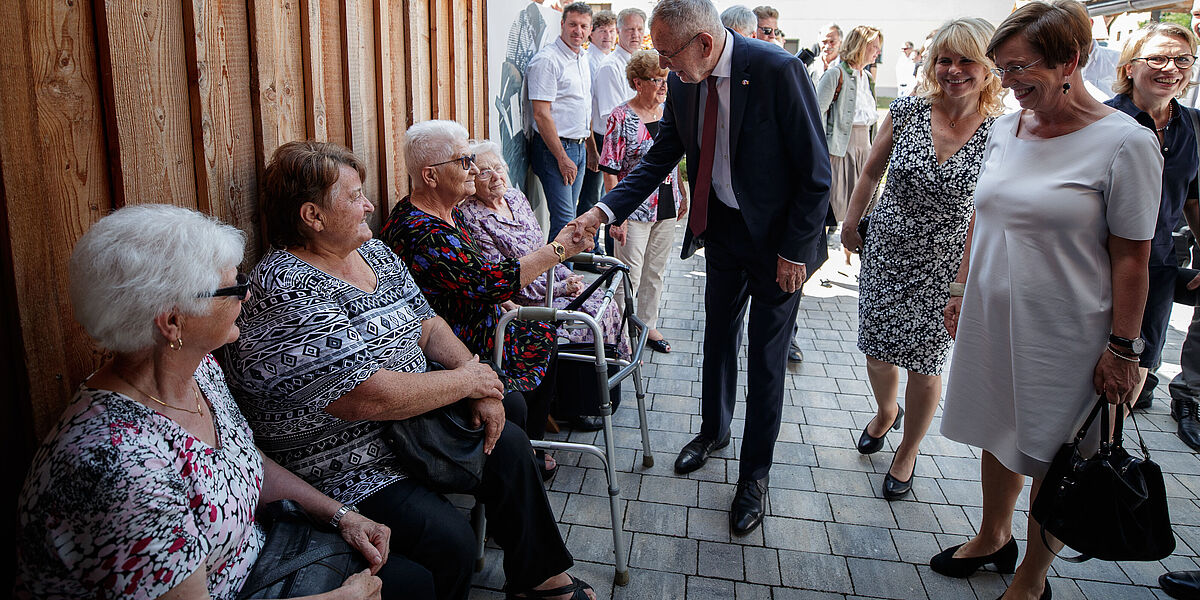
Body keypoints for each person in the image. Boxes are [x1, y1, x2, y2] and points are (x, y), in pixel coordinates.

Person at [221, 140, 595, 600]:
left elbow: (427, 322)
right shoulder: (287, 289)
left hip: (413, 429)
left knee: (509, 445)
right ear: (312, 217)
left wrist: (471, 375)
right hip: (350, 466)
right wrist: (469, 380)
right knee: (451, 542)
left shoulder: (372, 252)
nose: (369, 204)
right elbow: (366, 397)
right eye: (355, 196)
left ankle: (539, 582)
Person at [17, 204, 394, 599]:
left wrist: (341, 515)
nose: (247, 295)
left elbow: (240, 463)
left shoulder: (198, 371)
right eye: (233, 287)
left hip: (267, 566)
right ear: (172, 322)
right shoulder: (116, 464)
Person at [570, 0, 831, 536]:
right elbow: (662, 154)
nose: (663, 69)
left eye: (667, 55)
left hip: (779, 244)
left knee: (765, 357)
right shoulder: (689, 80)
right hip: (726, 233)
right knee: (718, 337)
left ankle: (753, 477)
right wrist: (604, 209)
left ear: (705, 44)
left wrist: (794, 252)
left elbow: (815, 172)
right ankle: (714, 430)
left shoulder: (779, 72)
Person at [932, 3, 1162, 599]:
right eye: (1002, 70)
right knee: (997, 430)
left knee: (1052, 453)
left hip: (1068, 331)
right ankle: (992, 536)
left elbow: (1132, 255)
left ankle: (1032, 576)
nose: (1007, 83)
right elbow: (984, 218)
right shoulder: (1007, 127)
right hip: (992, 313)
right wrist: (960, 287)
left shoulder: (1124, 143)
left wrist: (1124, 348)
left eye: (1019, 69)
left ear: (1071, 60)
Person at [840, 18, 1003, 502]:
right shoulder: (909, 111)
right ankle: (887, 411)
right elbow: (871, 172)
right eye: (944, 60)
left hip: (949, 266)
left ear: (989, 66)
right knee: (876, 348)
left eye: (965, 60)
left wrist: (964, 280)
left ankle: (908, 450)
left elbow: (991, 211)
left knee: (926, 363)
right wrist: (851, 224)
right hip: (887, 250)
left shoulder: (1001, 132)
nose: (953, 70)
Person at [382, 120, 593, 447]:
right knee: (538, 341)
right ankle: (526, 446)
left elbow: (480, 275)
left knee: (542, 330)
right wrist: (559, 249)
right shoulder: (422, 231)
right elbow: (488, 282)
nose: (473, 169)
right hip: (450, 340)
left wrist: (513, 306)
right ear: (430, 176)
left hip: (478, 322)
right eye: (464, 162)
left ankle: (534, 440)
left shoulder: (452, 211)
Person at [458, 138, 628, 358]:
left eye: (498, 168)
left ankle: (612, 367)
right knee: (588, 323)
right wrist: (560, 288)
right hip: (526, 301)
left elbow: (543, 249)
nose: (495, 176)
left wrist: (569, 278)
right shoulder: (472, 217)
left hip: (552, 285)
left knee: (607, 305)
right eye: (484, 172)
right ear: (472, 180)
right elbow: (505, 279)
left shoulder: (515, 198)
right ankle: (590, 379)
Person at [1107, 22, 1200, 417]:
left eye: (1182, 59)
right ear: (1129, 66)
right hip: (1098, 264)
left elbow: (1194, 198)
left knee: (1138, 366)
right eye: (1157, 57)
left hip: (1158, 269)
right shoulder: (1101, 122)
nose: (1171, 68)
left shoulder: (1194, 124)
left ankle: (1107, 450)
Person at [600, 50, 688, 355]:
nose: (664, 86)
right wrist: (617, 215)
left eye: (666, 79)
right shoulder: (620, 116)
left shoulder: (669, 112)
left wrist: (683, 192)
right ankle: (619, 333)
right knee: (629, 274)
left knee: (656, 271)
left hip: (666, 204)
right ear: (637, 82)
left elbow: (673, 160)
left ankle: (647, 325)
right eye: (657, 80)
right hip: (634, 208)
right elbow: (609, 169)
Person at [527, 2, 596, 242]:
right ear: (562, 24)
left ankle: (565, 277)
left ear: (590, 29)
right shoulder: (548, 60)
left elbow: (583, 106)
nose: (578, 30)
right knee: (566, 221)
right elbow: (541, 114)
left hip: (578, 147)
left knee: (572, 218)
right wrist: (562, 158)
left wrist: (591, 148)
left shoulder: (583, 57)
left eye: (583, 26)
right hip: (555, 149)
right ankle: (558, 279)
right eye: (573, 24)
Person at [817, 24, 883, 259]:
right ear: (860, 46)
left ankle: (856, 258)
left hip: (864, 150)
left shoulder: (867, 77)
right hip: (839, 151)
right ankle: (814, 259)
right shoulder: (836, 74)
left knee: (864, 212)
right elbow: (815, 115)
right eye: (874, 47)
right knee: (829, 213)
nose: (877, 52)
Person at [589, 8, 648, 258]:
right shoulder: (610, 67)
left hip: (639, 144)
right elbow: (611, 116)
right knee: (617, 206)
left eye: (639, 29)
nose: (635, 34)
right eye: (629, 29)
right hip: (615, 145)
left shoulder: (644, 63)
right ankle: (615, 263)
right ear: (619, 32)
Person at [578, 9, 616, 251]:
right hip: (597, 138)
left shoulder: (606, 59)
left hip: (607, 138)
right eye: (602, 31)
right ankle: (586, 247)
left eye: (612, 31)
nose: (608, 36)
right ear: (592, 34)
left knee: (601, 196)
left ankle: (593, 245)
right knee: (592, 198)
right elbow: (588, 109)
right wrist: (592, 147)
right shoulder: (590, 61)